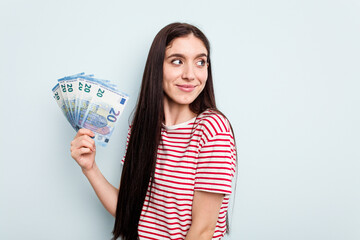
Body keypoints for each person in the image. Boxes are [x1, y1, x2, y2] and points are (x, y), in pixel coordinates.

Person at [70, 22, 237, 240]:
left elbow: (203, 231)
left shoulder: (213, 129)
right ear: (157, 66)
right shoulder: (142, 128)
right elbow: (129, 211)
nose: (190, 74)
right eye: (177, 61)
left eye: (200, 62)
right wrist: (89, 168)